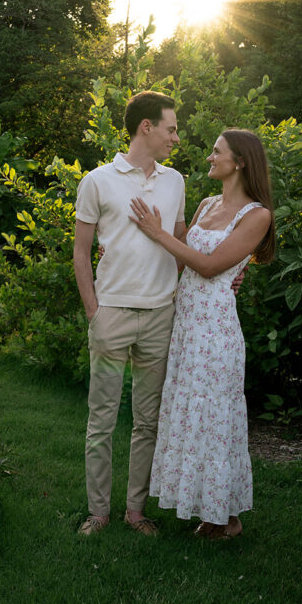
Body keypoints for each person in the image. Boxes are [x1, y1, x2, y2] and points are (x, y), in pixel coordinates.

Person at [129, 129, 275, 539]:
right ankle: (206, 508)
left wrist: (157, 233)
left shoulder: (256, 215)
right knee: (189, 416)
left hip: (216, 333)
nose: (210, 158)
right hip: (186, 327)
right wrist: (126, 254)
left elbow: (210, 266)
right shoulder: (209, 204)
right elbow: (180, 259)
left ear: (240, 161)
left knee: (213, 419)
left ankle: (226, 519)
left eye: (217, 152)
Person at [73, 91, 186, 536]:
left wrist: (175, 288)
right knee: (101, 419)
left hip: (160, 316)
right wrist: (94, 312)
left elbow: (179, 240)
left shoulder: (175, 181)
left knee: (148, 422)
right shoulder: (98, 180)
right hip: (112, 315)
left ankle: (135, 511)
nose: (176, 138)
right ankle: (98, 511)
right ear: (147, 127)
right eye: (171, 129)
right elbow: (81, 253)